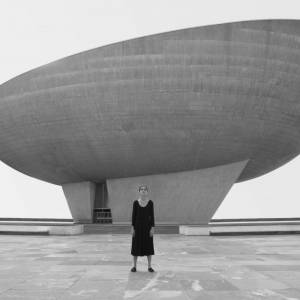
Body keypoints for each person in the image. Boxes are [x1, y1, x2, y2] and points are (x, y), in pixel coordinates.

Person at [130, 184, 155, 272]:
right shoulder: (135, 203)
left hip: (147, 228)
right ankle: (134, 266)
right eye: (141, 189)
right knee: (136, 246)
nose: (143, 190)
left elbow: (152, 216)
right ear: (139, 191)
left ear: (147, 192)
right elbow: (133, 216)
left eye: (145, 189)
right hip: (137, 228)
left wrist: (152, 228)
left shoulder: (150, 203)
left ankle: (149, 266)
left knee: (148, 246)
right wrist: (132, 228)